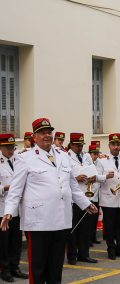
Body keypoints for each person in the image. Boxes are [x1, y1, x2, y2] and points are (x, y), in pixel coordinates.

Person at [0, 118, 97, 284]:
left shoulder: (63, 156)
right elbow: (15, 189)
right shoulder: (25, 158)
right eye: (42, 133)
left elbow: (72, 186)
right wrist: (9, 211)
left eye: (49, 132)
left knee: (55, 267)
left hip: (61, 220)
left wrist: (86, 203)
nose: (47, 135)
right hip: (39, 222)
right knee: (38, 269)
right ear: (34, 137)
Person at [97, 133, 120, 260]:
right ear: (109, 146)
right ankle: (111, 250)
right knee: (109, 227)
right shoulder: (102, 161)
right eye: (113, 144)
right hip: (108, 199)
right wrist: (105, 176)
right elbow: (97, 178)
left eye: (118, 144)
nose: (116, 147)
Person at [0, 134, 28, 282]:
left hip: (17, 208)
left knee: (16, 241)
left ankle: (15, 266)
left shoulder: (18, 160)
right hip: (3, 209)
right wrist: (5, 188)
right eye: (8, 148)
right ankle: (5, 269)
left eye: (12, 147)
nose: (11, 150)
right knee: (4, 242)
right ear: (1, 147)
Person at [67, 133, 98, 265]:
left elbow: (93, 171)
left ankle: (84, 254)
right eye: (78, 145)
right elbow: (62, 177)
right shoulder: (66, 156)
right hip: (73, 199)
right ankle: (72, 255)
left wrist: (93, 176)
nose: (80, 148)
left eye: (81, 145)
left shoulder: (86, 156)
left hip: (86, 196)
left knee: (86, 228)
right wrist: (76, 178)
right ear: (72, 145)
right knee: (73, 229)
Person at [88, 144, 101, 245]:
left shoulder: (99, 163)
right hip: (89, 195)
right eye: (94, 154)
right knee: (89, 218)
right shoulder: (87, 162)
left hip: (97, 193)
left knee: (95, 218)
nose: (96, 156)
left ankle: (93, 236)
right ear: (90, 154)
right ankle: (88, 239)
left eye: (97, 153)